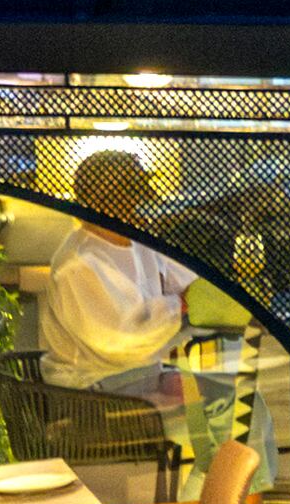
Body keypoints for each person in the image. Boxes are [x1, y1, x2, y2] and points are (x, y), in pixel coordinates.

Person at [43, 152, 201, 399]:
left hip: (145, 376)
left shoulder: (139, 243)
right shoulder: (77, 264)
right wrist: (178, 306)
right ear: (105, 201)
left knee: (244, 405)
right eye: (134, 192)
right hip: (97, 394)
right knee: (218, 416)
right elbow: (120, 340)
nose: (144, 201)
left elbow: (190, 284)